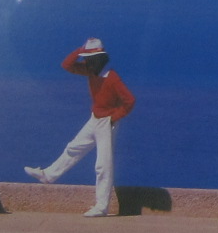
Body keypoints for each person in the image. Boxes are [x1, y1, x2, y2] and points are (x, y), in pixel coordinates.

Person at [24, 37, 136, 216]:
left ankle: (102, 207)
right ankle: (48, 175)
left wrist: (114, 118)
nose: (86, 62)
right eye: (86, 59)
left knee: (103, 165)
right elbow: (67, 65)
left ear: (99, 59)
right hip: (95, 118)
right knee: (73, 148)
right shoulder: (91, 71)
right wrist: (81, 49)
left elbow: (130, 100)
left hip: (107, 123)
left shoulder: (112, 77)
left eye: (89, 59)